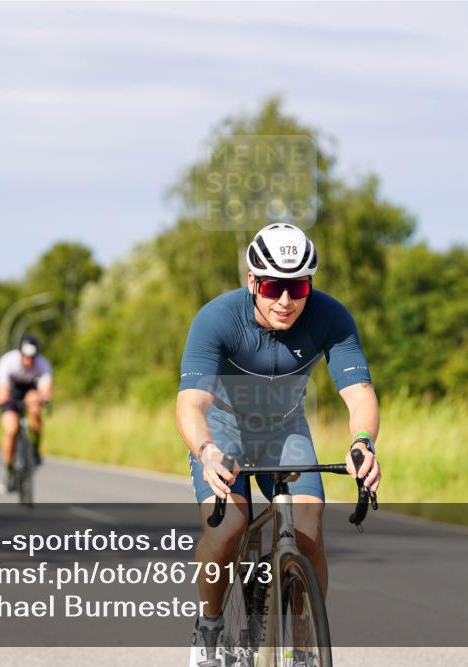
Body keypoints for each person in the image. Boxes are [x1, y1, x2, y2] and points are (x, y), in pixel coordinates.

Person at [177, 223, 382, 666]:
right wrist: (207, 451)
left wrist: (362, 442)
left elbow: (359, 393)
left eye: (298, 286)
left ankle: (304, 646)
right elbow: (190, 405)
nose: (285, 301)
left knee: (309, 525)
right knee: (228, 527)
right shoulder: (217, 318)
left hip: (284, 429)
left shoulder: (330, 317)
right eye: (272, 286)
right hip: (224, 426)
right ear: (253, 281)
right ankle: (210, 625)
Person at [0, 334, 52, 491]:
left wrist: (42, 398)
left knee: (35, 409)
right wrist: (4, 399)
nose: (28, 361)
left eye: (32, 358)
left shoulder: (42, 364)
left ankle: (34, 449)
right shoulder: (7, 362)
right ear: (20, 353)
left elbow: (45, 390)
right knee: (11, 429)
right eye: (25, 357)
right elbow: (1, 392)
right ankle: (9, 467)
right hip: (11, 392)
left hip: (30, 391)